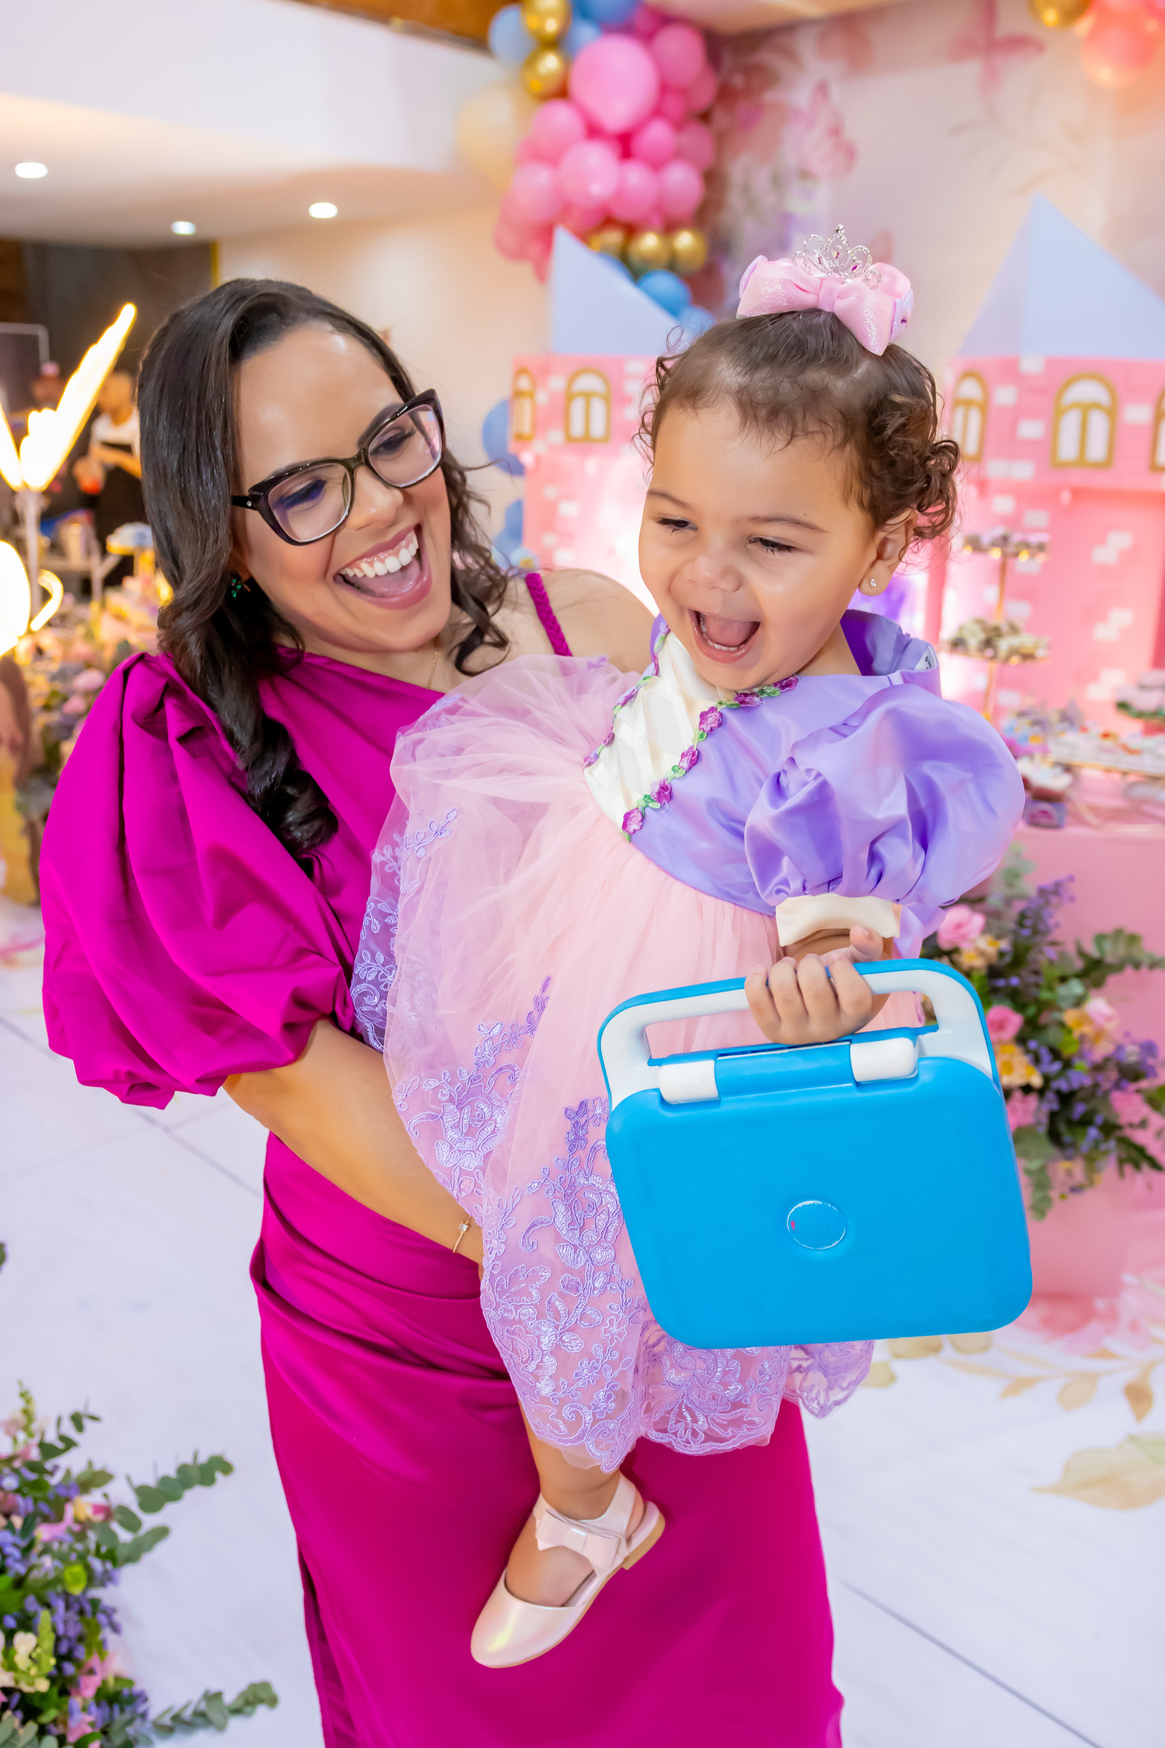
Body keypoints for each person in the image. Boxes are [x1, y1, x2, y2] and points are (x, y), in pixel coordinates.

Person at [40, 278, 856, 1747]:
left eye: (389, 443)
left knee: (756, 1695)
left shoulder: (591, 619)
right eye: (301, 490)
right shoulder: (185, 745)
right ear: (220, 533)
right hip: (429, 1360)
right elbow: (307, 1090)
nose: (377, 508)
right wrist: (605, 1273)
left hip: (686, 1293)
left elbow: (756, 867)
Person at [372, 234, 1027, 1667]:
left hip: (690, 988)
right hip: (590, 894)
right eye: (674, 521)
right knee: (529, 1190)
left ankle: (583, 1504)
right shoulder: (726, 627)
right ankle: (578, 1466)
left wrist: (823, 989)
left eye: (773, 546)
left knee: (594, 1248)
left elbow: (846, 935)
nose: (707, 579)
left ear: (883, 545)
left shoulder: (849, 754)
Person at [72, 367, 145, 554]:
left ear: (125, 390)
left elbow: (147, 472)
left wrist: (115, 456)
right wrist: (85, 469)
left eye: (105, 390)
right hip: (107, 515)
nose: (100, 398)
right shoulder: (100, 425)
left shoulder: (140, 424)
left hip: (138, 518)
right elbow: (98, 472)